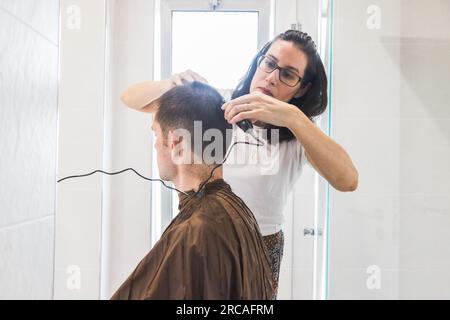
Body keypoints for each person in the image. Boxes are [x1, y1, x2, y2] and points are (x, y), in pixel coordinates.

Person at [120, 30, 359, 297]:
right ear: (259, 61)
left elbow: (348, 180)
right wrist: (170, 85)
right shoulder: (219, 105)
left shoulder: (297, 137)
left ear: (302, 88)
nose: (271, 78)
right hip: (202, 235)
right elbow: (131, 98)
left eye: (288, 74)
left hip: (258, 249)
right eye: (269, 63)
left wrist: (293, 117)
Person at [111, 81, 274, 300]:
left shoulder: (194, 232)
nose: (156, 145)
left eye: (157, 135)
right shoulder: (239, 210)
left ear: (177, 144)